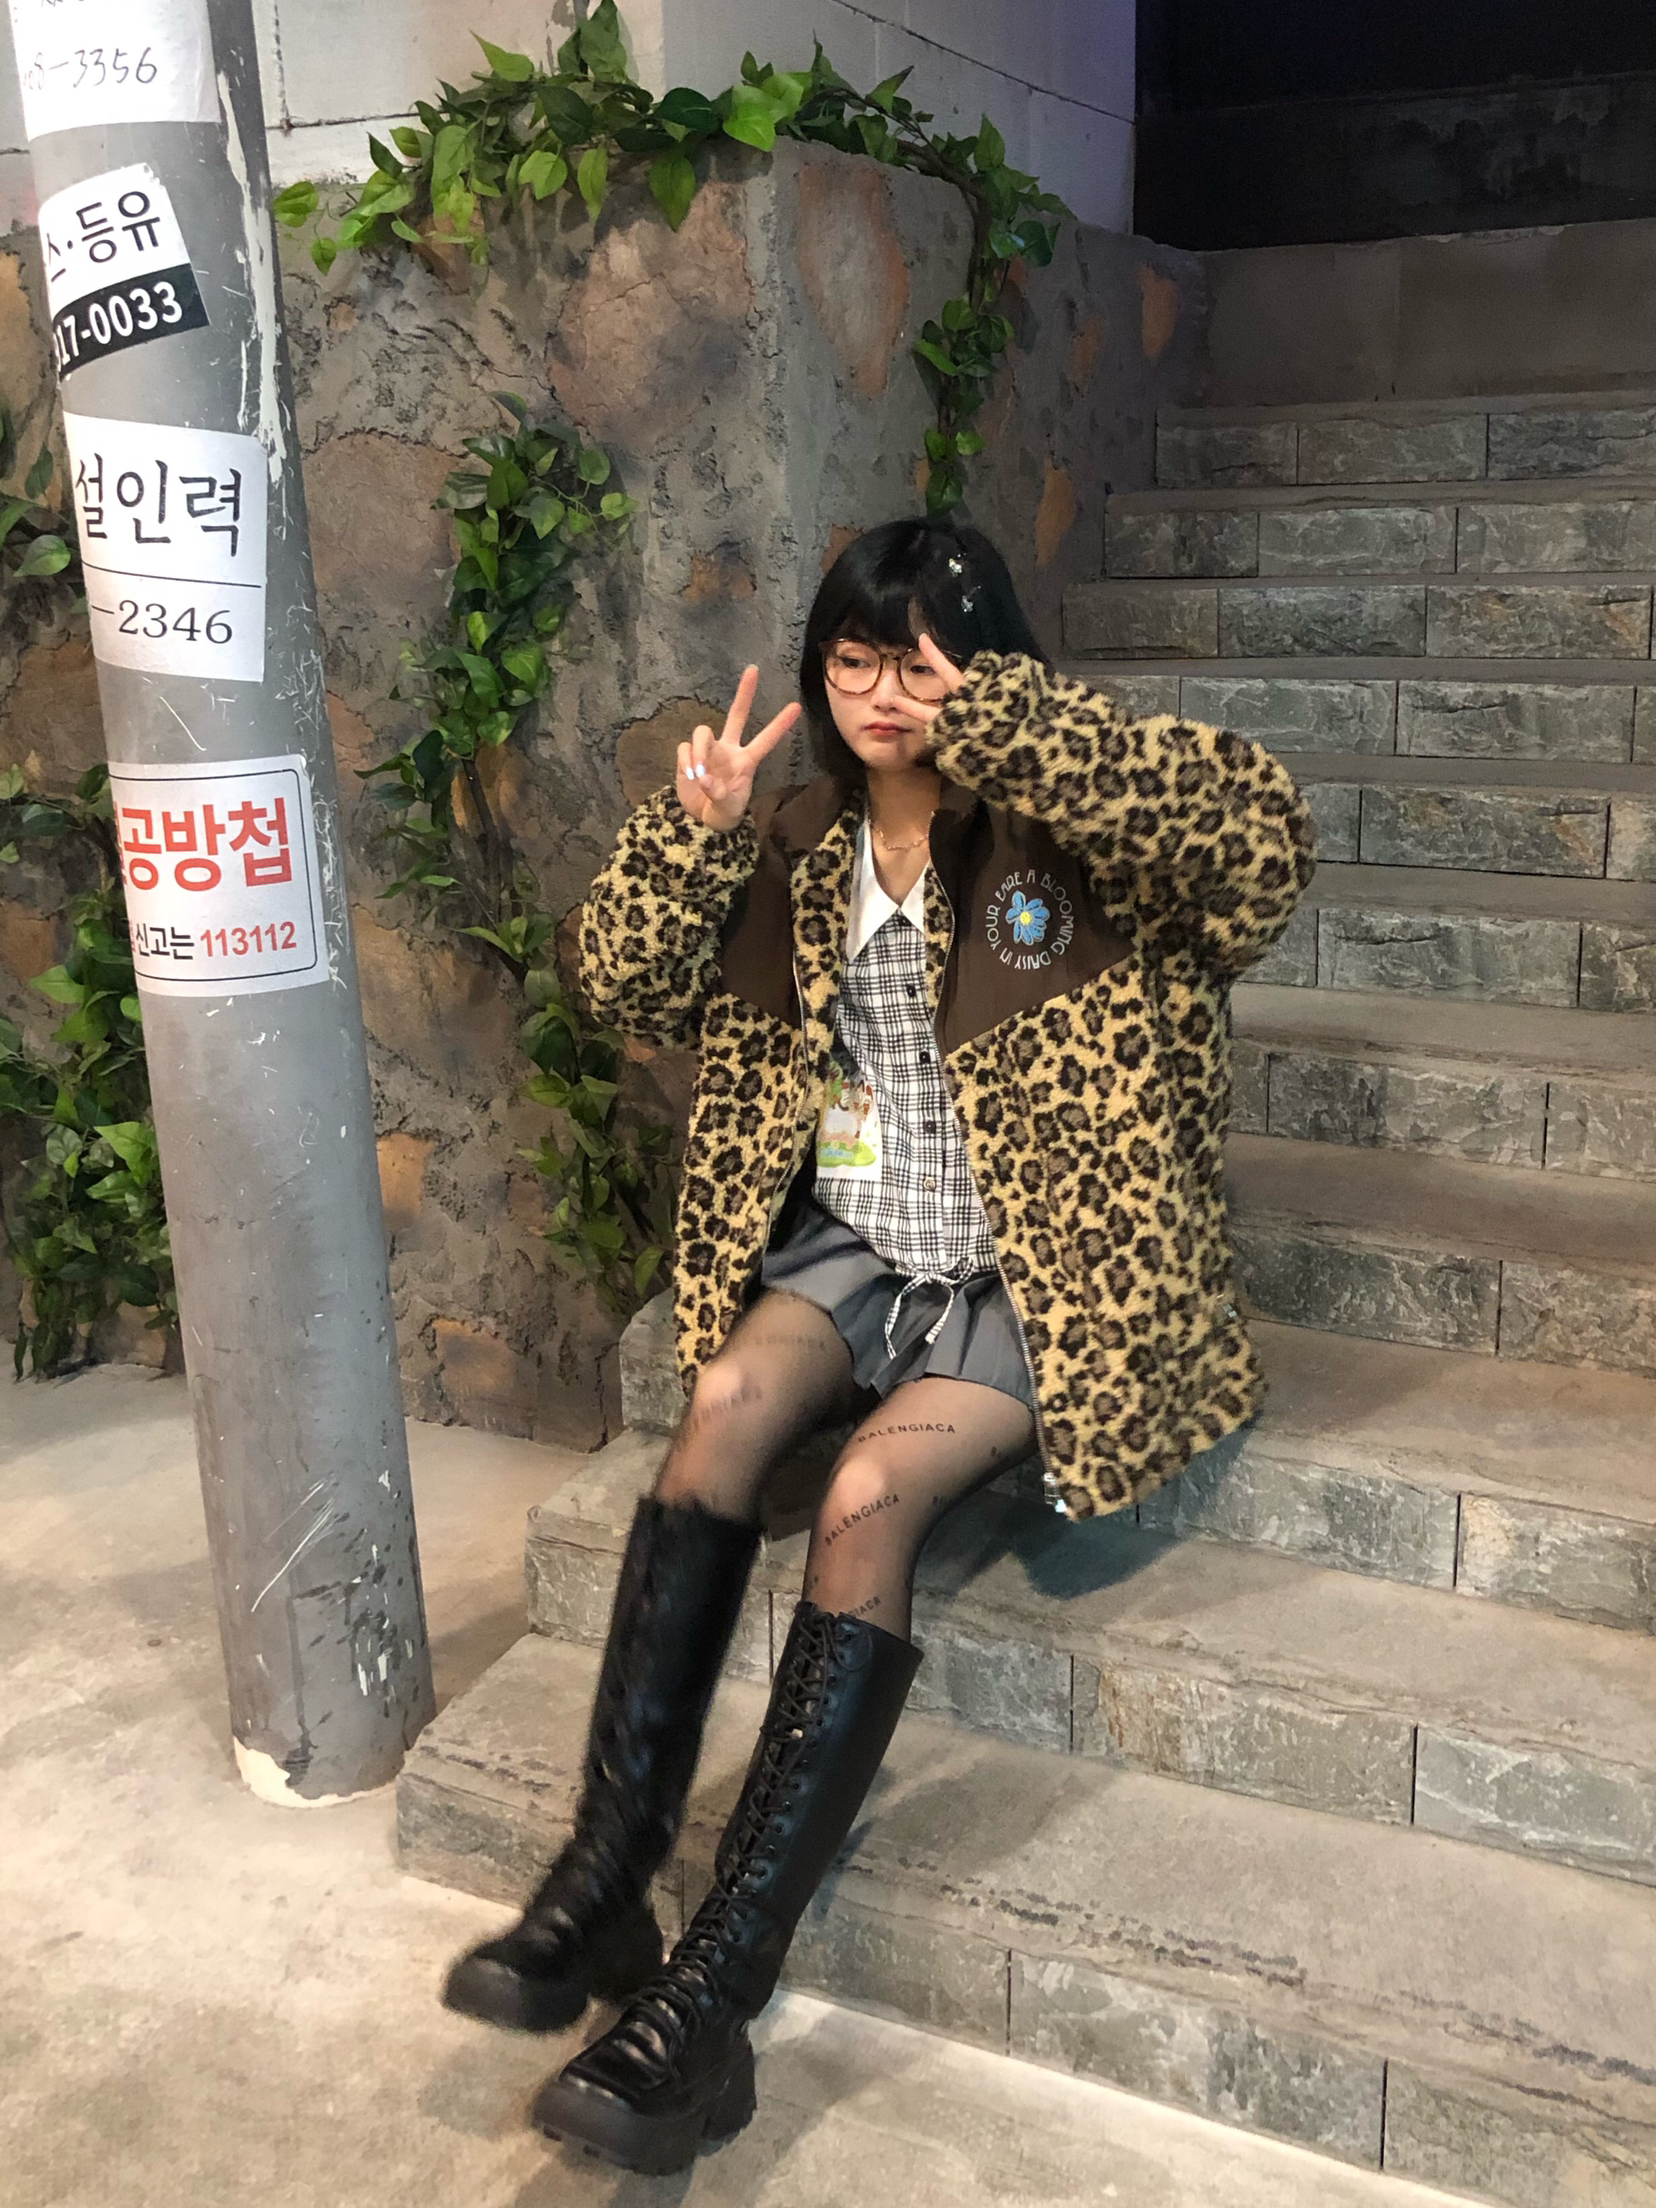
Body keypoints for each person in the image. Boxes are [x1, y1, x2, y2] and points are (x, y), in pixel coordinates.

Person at [441, 517, 1316, 2174]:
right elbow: (618, 984)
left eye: (925, 663)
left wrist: (1013, 727)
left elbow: (1264, 845)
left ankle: (715, 1997)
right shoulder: (796, 841)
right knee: (719, 1406)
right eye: (856, 659)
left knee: (862, 1496)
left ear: (991, 671)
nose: (885, 694)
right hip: (855, 1248)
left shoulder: (1077, 832)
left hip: (1031, 1274)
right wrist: (693, 835)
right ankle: (608, 1877)